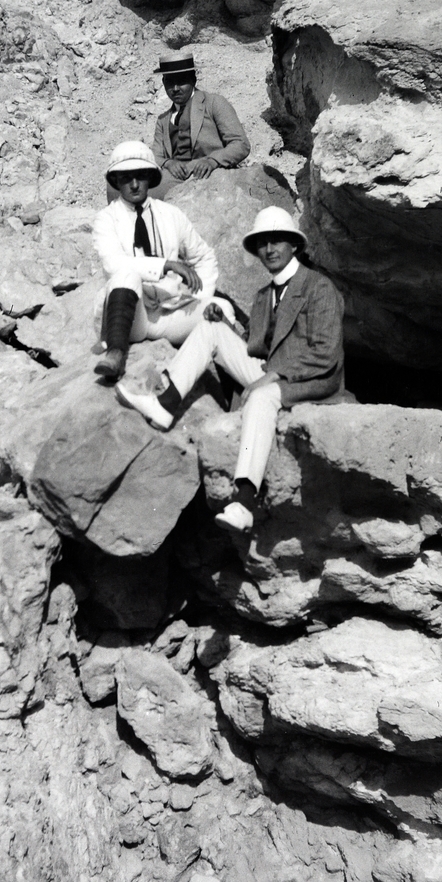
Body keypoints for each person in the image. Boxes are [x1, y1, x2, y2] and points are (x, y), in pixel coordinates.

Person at [118, 207, 344, 531]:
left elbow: (326, 352)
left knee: (263, 397)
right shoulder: (265, 295)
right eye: (262, 243)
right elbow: (258, 349)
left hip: (312, 383)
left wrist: (273, 376)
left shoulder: (318, 287)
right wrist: (226, 323)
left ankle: (244, 500)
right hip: (272, 372)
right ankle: (165, 403)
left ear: (295, 245)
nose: (270, 249)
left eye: (278, 240)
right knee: (210, 328)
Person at [91, 140, 221, 382]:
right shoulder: (106, 219)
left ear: (150, 178)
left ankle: (225, 382)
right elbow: (113, 264)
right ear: (116, 181)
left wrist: (201, 297)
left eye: (140, 176)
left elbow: (204, 256)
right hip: (133, 320)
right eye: (125, 177)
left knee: (222, 311)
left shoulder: (170, 214)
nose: (134, 184)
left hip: (169, 313)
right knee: (125, 275)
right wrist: (165, 265)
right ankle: (116, 354)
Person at [152, 50, 250, 182]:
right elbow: (155, 156)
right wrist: (168, 163)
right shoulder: (163, 120)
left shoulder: (214, 103)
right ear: (163, 83)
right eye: (170, 82)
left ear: (193, 79)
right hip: (174, 178)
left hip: (211, 176)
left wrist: (212, 161)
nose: (175, 89)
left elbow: (241, 144)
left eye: (181, 81)